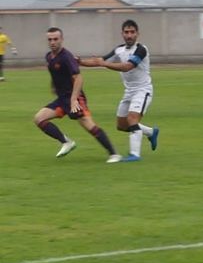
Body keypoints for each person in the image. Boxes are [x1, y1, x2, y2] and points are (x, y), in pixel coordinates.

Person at [33, 27, 121, 163]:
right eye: (50, 39)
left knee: (88, 125)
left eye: (55, 39)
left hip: (75, 98)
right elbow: (55, 73)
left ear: (61, 39)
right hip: (62, 100)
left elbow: (79, 78)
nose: (52, 42)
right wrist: (54, 86)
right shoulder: (49, 57)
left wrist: (74, 99)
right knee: (39, 119)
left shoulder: (66, 57)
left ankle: (114, 154)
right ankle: (66, 142)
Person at [79, 20, 159, 162]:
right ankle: (151, 132)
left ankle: (135, 155)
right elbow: (99, 60)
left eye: (132, 32)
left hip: (143, 90)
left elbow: (127, 66)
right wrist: (79, 62)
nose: (129, 35)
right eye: (126, 32)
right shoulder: (119, 50)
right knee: (122, 125)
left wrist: (105, 64)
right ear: (122, 34)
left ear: (137, 34)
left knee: (132, 119)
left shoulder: (141, 49)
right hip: (129, 91)